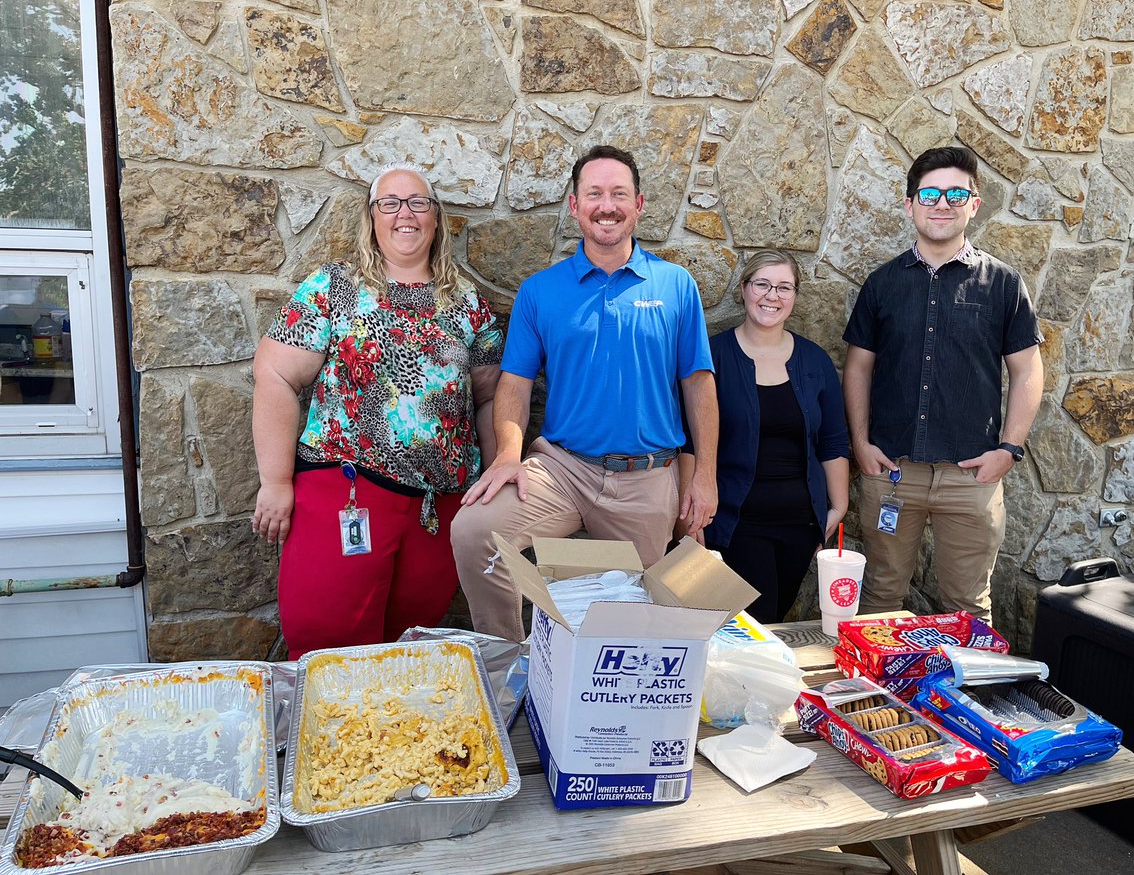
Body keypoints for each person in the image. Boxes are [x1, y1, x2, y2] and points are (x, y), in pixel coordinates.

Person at [450, 145, 718, 642]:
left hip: (647, 476)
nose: (607, 205)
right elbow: (514, 383)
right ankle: (508, 659)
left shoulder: (676, 285)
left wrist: (703, 476)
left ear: (639, 205)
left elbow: (699, 384)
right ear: (574, 206)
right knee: (474, 531)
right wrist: (508, 455)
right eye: (594, 193)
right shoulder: (541, 291)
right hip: (561, 469)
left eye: (619, 193)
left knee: (636, 621)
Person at [251, 164, 504, 659]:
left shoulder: (469, 304)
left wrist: (491, 488)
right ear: (372, 218)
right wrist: (276, 481)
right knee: (328, 643)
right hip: (345, 493)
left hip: (439, 508)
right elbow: (275, 375)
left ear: (435, 219)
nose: (404, 213)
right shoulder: (333, 288)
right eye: (389, 202)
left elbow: (490, 398)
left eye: (417, 202)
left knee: (407, 651)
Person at [842, 145, 1043, 621]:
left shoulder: (1003, 284)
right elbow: (857, 368)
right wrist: (860, 443)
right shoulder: (882, 284)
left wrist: (1009, 449)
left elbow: (1028, 371)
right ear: (910, 203)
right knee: (879, 599)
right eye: (930, 193)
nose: (942, 203)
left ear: (974, 204)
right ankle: (878, 695)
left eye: (957, 193)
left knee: (968, 608)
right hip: (893, 471)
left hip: (971, 474)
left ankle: (967, 697)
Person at [678, 250, 849, 624]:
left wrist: (836, 508)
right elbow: (689, 442)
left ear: (795, 296)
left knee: (775, 618)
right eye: (762, 284)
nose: (772, 296)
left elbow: (834, 441)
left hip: (800, 526)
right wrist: (689, 520)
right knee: (757, 624)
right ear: (743, 290)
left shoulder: (815, 361)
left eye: (784, 287)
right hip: (735, 524)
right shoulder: (713, 356)